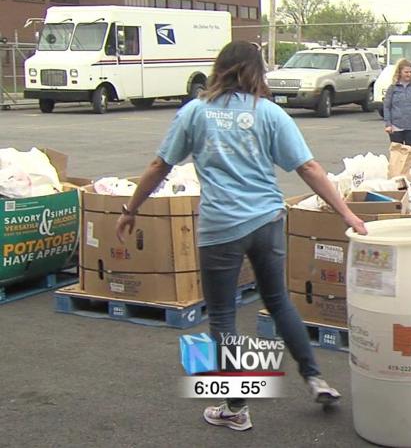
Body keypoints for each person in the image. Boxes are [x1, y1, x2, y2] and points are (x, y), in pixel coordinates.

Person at [115, 41, 368, 431]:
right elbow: (310, 168)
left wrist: (131, 210)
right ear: (257, 73)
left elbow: (159, 165)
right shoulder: (268, 113)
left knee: (222, 316)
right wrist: (348, 214)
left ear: (220, 69)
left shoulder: (195, 113)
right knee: (279, 302)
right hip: (267, 221)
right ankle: (315, 377)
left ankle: (236, 407)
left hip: (220, 229)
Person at [383, 58, 411, 148]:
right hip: (396, 126)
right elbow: (387, 107)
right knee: (397, 153)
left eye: (410, 72)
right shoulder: (392, 88)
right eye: (406, 72)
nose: (409, 74)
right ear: (399, 72)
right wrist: (388, 124)